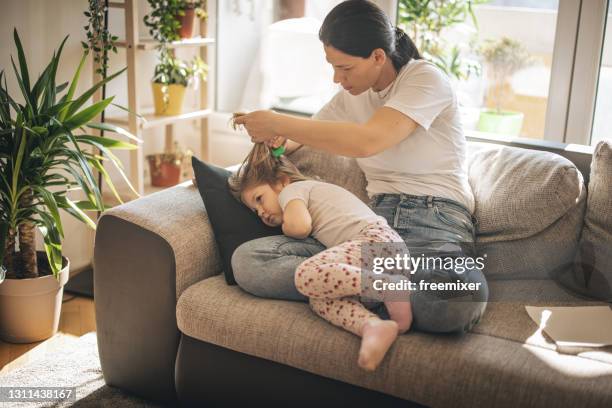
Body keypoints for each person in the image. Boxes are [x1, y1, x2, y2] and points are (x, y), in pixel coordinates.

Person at [232, 0, 488, 334]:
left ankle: (359, 292)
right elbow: (294, 140)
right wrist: (271, 139)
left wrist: (279, 120)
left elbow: (367, 140)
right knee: (249, 263)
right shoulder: (350, 96)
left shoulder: (425, 79)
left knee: (455, 303)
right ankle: (385, 292)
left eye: (346, 68)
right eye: (332, 66)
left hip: (434, 220)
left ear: (378, 56)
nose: (337, 78)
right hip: (368, 226)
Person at [228, 142, 412, 371]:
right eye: (255, 211)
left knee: (305, 274)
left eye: (259, 199)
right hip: (384, 255)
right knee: (318, 295)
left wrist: (285, 225)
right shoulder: (300, 193)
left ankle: (388, 287)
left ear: (281, 181)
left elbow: (299, 227)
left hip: (375, 241)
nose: (261, 213)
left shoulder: (293, 191)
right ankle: (371, 326)